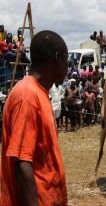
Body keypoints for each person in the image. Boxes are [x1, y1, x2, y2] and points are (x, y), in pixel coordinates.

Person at [0, 30, 68, 206]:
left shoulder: (41, 93)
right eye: (66, 60)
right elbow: (22, 163)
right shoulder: (27, 96)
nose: (68, 67)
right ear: (57, 58)